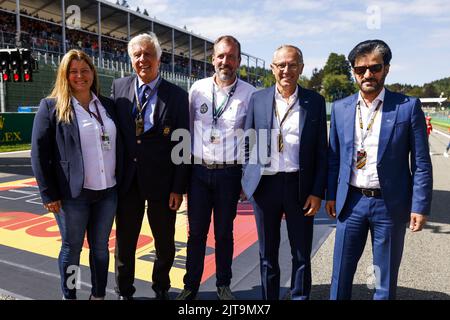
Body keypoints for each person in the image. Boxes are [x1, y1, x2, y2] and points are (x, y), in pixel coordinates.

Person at [326, 39, 433, 300]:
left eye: (374, 68)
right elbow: (333, 158)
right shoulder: (341, 109)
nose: (367, 75)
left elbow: (420, 162)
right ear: (353, 72)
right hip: (350, 202)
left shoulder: (407, 107)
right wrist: (331, 194)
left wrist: (419, 205)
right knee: (340, 273)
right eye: (360, 69)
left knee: (383, 280)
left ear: (386, 69)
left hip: (389, 205)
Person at [31, 49, 122, 300]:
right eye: (73, 72)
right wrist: (48, 193)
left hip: (107, 192)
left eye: (85, 70)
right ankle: (69, 296)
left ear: (93, 72)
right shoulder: (51, 107)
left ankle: (98, 295)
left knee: (101, 249)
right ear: (65, 75)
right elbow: (39, 153)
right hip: (72, 196)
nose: (80, 76)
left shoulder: (107, 106)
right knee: (72, 250)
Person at [241, 45, 327, 300]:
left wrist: (316, 192)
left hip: (299, 187)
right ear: (272, 68)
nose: (286, 70)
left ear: (301, 67)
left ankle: (300, 296)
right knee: (267, 253)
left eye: (292, 65)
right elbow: (248, 143)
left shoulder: (315, 101)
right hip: (265, 187)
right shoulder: (258, 98)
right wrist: (248, 181)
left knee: (300, 253)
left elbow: (322, 151)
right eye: (281, 65)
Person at [176, 35, 256, 301]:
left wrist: (249, 179)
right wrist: (183, 176)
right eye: (221, 56)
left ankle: (223, 284)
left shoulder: (250, 93)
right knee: (196, 233)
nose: (226, 61)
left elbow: (254, 139)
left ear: (239, 61)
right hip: (198, 173)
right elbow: (185, 133)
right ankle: (191, 285)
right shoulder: (197, 88)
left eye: (231, 56)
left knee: (224, 233)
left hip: (229, 174)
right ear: (213, 59)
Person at [111, 33, 190, 300]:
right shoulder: (118, 87)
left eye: (148, 54)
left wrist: (178, 187)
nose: (143, 59)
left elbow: (183, 145)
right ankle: (124, 291)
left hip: (163, 183)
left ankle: (161, 289)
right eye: (137, 55)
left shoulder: (178, 96)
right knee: (125, 243)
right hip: (128, 182)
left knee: (165, 245)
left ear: (159, 58)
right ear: (131, 59)